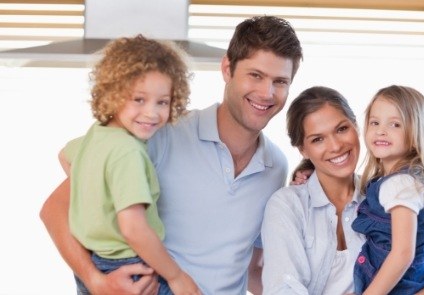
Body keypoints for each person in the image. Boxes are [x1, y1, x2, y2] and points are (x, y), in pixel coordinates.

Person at [40, 15, 303, 295]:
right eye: (255, 75)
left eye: (280, 81)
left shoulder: (276, 166)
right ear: (227, 68)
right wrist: (95, 280)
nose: (267, 92)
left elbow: (251, 268)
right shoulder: (161, 133)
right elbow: (54, 209)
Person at [261, 86, 424, 294]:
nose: (335, 146)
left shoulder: (389, 194)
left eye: (342, 129)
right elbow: (282, 288)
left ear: (357, 127)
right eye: (318, 139)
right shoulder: (288, 206)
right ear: (303, 150)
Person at [57, 35, 200, 295]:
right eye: (139, 99)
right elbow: (134, 229)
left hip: (96, 261)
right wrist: (176, 276)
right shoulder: (128, 153)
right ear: (114, 94)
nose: (151, 113)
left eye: (162, 102)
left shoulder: (97, 135)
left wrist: (97, 202)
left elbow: (64, 156)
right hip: (133, 265)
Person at [351, 85, 424, 294]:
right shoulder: (411, 180)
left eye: (395, 124)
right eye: (375, 122)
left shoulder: (400, 184)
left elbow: (402, 254)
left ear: (416, 133)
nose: (381, 130)